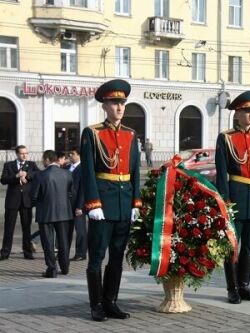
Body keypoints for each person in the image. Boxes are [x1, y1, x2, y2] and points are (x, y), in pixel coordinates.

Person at [81, 79, 142, 321]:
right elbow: (87, 172)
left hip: (124, 203)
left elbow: (135, 171)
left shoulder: (130, 134)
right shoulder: (93, 133)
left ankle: (111, 301)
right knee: (96, 257)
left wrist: (135, 202)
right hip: (103, 206)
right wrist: (93, 204)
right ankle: (96, 305)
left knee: (117, 256)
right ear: (104, 105)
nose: (119, 107)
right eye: (114, 103)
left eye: (122, 103)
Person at [215, 90, 250, 304]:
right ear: (237, 113)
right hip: (236, 198)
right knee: (232, 245)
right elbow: (222, 174)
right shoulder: (226, 138)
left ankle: (245, 285)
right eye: (247, 111)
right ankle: (232, 288)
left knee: (248, 245)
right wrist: (225, 201)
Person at [31, 150, 73, 278]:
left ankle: (52, 269)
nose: (43, 162)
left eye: (43, 159)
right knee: (63, 241)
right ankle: (65, 267)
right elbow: (71, 193)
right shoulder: (67, 174)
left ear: (48, 160)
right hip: (64, 212)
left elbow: (34, 195)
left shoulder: (40, 175)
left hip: (45, 212)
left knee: (48, 242)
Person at [0, 145, 40, 260]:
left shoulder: (32, 164)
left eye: (26, 153)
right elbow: (3, 180)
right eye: (22, 153)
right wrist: (16, 176)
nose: (25, 155)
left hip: (26, 201)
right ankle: (5, 252)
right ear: (17, 154)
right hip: (12, 201)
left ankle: (27, 252)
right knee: (9, 228)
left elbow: (38, 174)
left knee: (26, 228)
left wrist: (27, 175)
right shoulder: (9, 165)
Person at [67, 147, 87, 261]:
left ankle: (81, 253)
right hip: (66, 204)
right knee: (66, 230)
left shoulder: (83, 168)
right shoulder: (66, 167)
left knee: (80, 230)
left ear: (79, 155)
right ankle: (64, 252)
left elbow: (83, 189)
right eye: (69, 153)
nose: (70, 156)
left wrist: (80, 206)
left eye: (72, 153)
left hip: (78, 205)